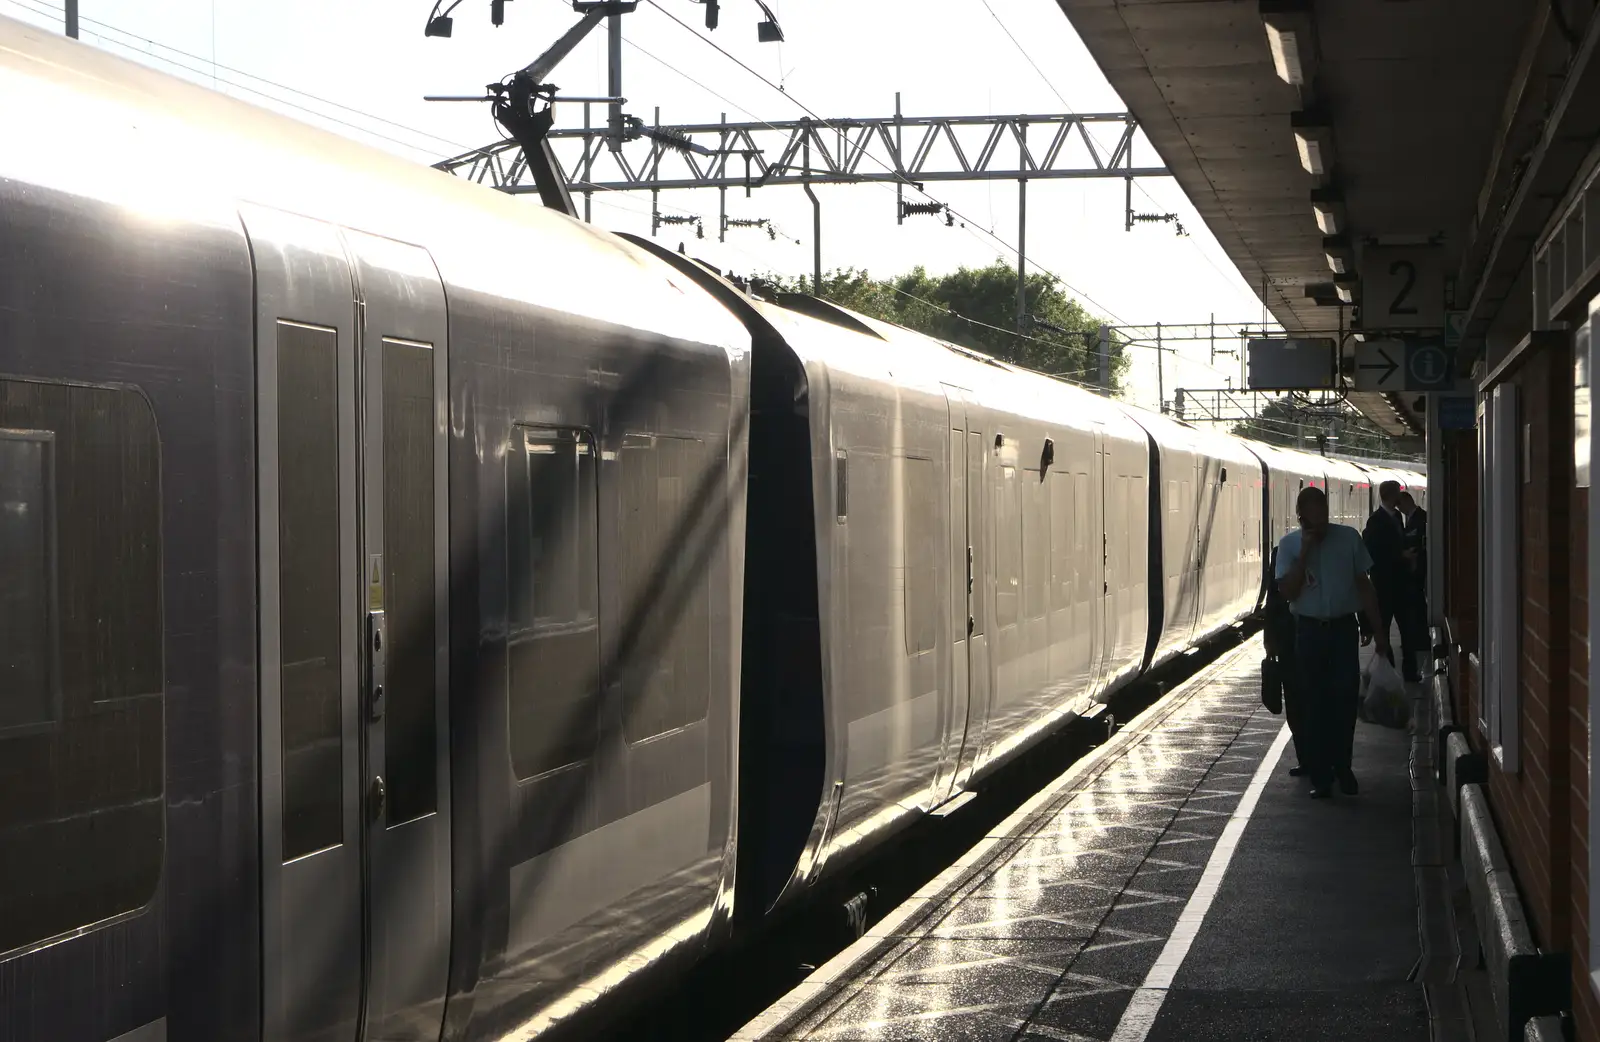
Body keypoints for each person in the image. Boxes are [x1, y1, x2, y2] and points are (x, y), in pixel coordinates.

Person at [1276, 486, 1391, 799]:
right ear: (1301, 518)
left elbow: (1364, 586)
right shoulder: (1288, 546)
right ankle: (1322, 775)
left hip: (1342, 630)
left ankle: (1344, 767)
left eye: (1324, 515)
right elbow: (1288, 592)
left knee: (1343, 699)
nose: (1321, 523)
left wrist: (1378, 630)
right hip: (1309, 631)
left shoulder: (1349, 539)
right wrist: (1305, 553)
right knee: (1313, 702)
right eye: (1313, 519)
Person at [1362, 480, 1420, 681]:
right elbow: (1373, 552)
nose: (1400, 497)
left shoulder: (1396, 517)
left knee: (1408, 629)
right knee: (1384, 630)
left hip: (1401, 585)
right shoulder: (1375, 521)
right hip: (1384, 586)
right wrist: (1400, 555)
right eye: (1398, 493)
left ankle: (1410, 671)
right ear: (1391, 495)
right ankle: (1389, 670)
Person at [1398, 490, 1429, 675]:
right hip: (1414, 573)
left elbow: (1419, 543)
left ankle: (1421, 640)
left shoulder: (1421, 518)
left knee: (1417, 608)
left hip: (1418, 573)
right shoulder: (1411, 519)